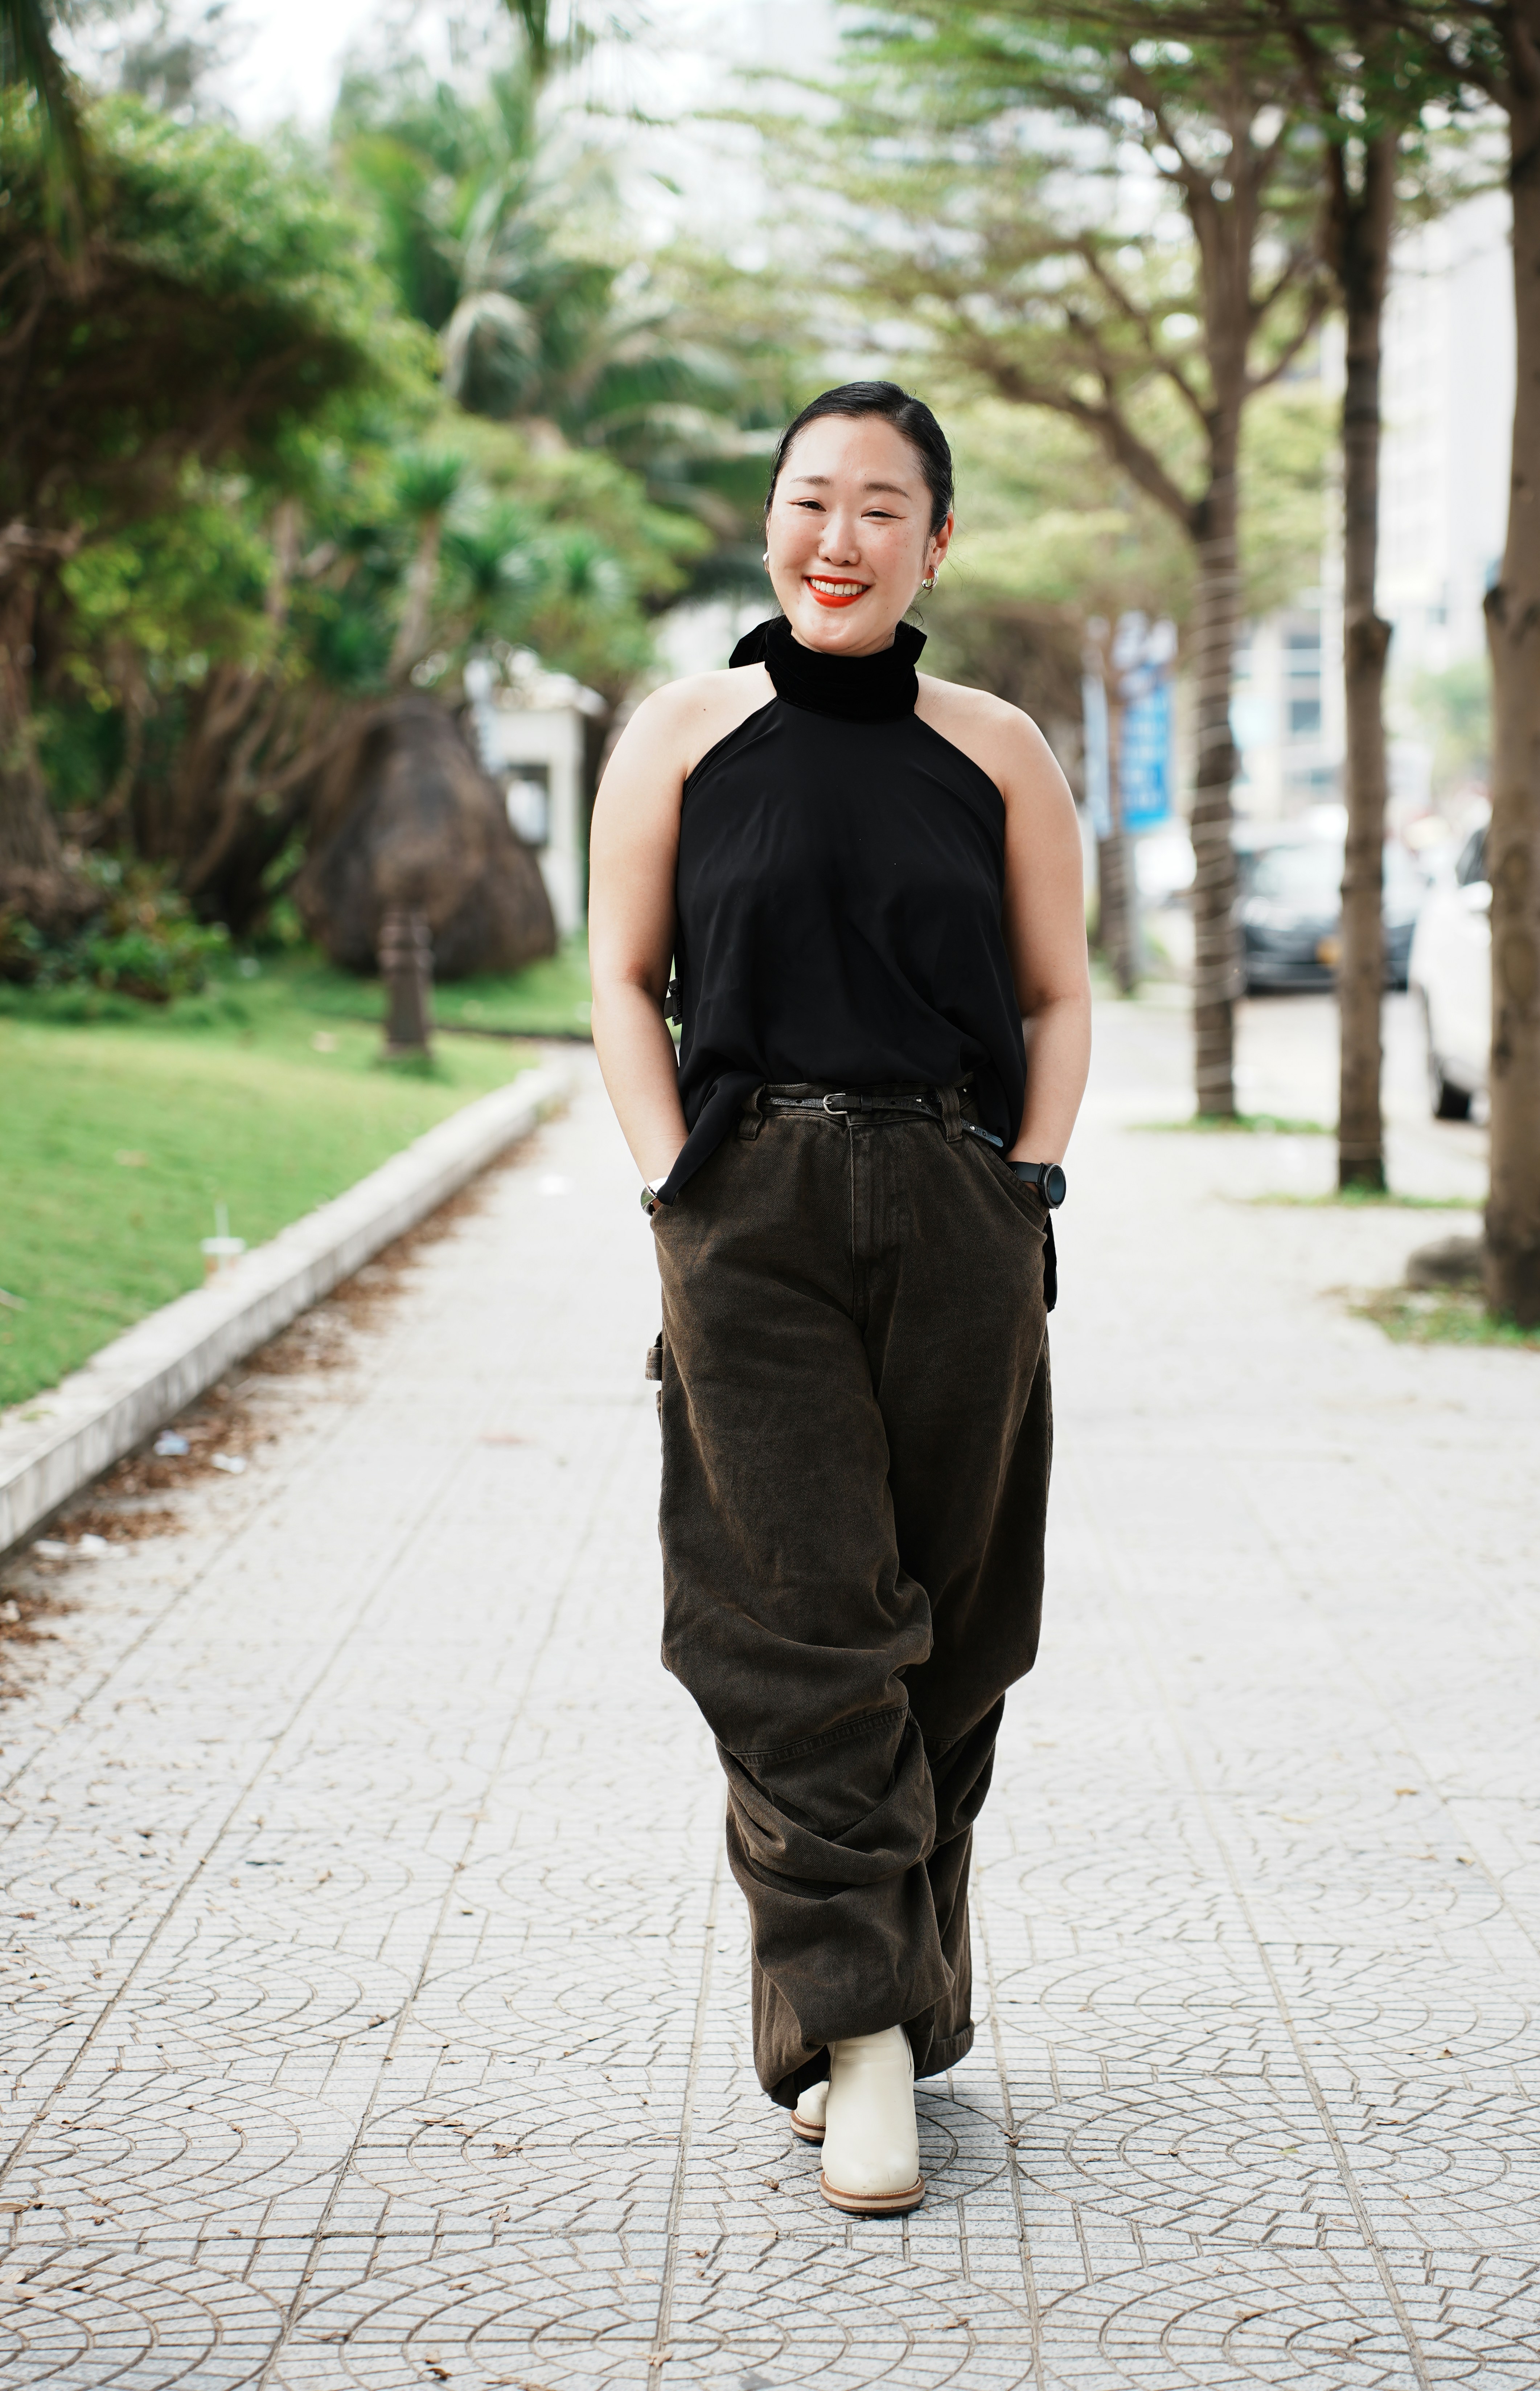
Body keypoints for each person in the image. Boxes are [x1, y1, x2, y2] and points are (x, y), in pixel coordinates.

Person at [588, 380, 1090, 2216]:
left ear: (935, 543)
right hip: (755, 1209)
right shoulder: (680, 734)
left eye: (884, 505)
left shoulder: (997, 746)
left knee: (954, 1627)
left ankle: (869, 2004)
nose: (841, 536)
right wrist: (673, 1188)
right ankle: (865, 2041)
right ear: (770, 520)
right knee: (790, 1622)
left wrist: (1025, 1179)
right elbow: (621, 978)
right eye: (812, 498)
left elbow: (1053, 994)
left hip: (961, 1212)